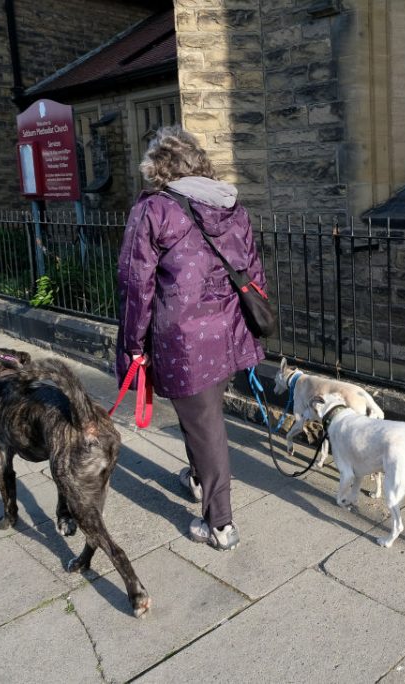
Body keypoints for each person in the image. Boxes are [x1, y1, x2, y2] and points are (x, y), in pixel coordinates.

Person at [115, 126, 267, 551]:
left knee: (206, 425)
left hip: (183, 339)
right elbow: (253, 272)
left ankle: (221, 524)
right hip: (229, 332)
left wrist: (131, 344)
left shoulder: (154, 210)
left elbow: (134, 284)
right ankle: (198, 479)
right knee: (200, 416)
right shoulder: (231, 206)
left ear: (158, 170)